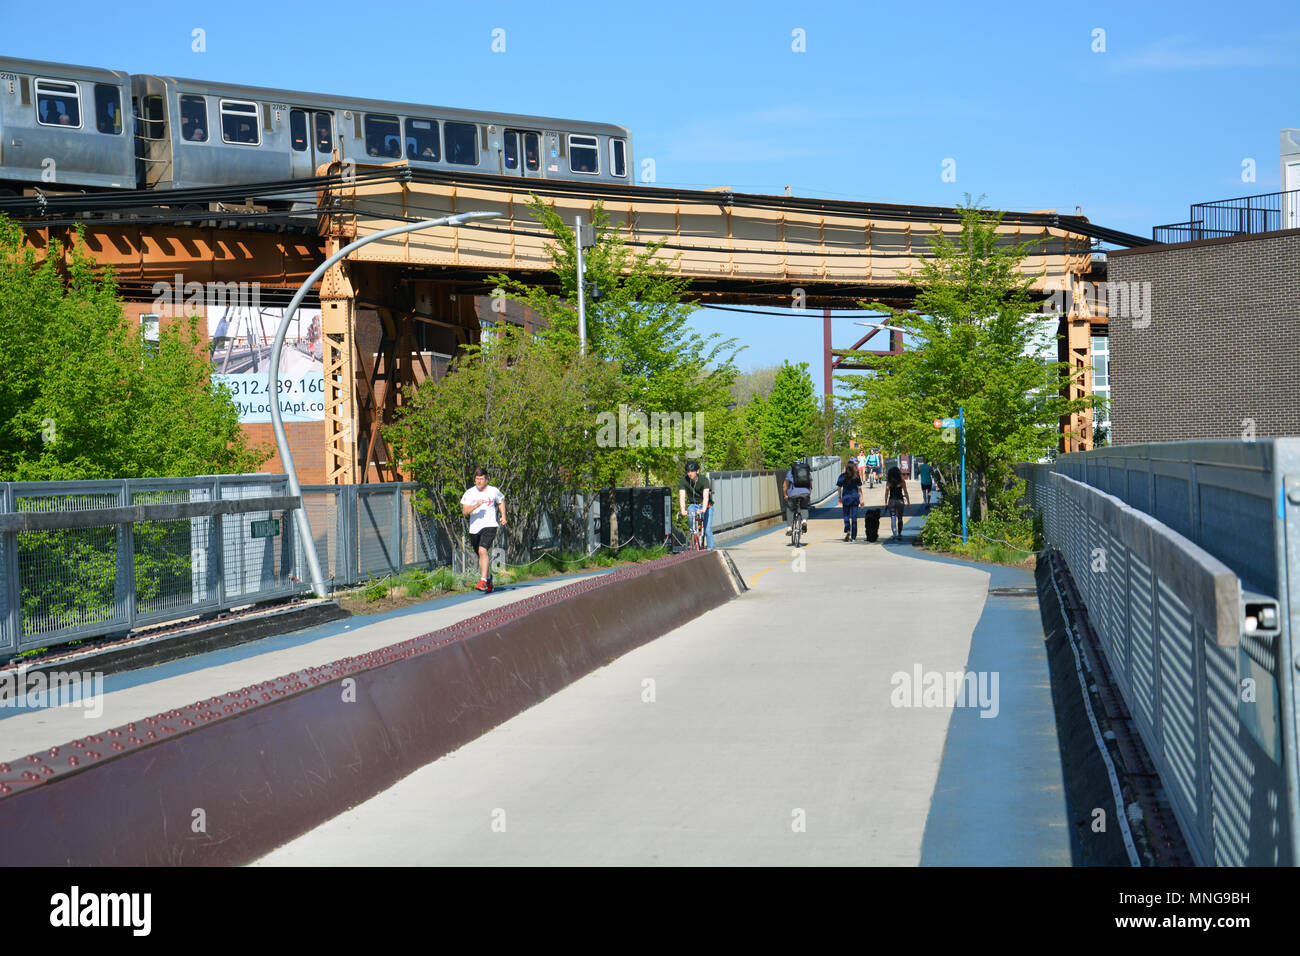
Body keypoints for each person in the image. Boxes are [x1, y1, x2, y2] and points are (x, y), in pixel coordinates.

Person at [461, 467, 506, 591]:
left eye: (481, 479)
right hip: (474, 529)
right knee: (481, 555)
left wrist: (503, 516)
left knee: (482, 551)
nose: (479, 481)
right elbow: (465, 511)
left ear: (486, 479)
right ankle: (488, 577)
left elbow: (501, 501)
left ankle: (482, 581)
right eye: (477, 479)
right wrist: (476, 505)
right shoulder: (470, 493)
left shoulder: (493, 491)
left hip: (490, 525)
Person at [679, 460, 713, 549]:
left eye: (692, 471)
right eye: (688, 471)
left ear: (697, 471)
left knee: (708, 530)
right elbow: (682, 496)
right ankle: (693, 532)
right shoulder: (683, 481)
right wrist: (683, 509)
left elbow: (706, 497)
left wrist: (703, 509)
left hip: (706, 506)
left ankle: (710, 550)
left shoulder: (704, 480)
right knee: (690, 511)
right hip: (693, 505)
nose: (690, 474)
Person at [783, 459, 812, 537]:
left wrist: (785, 495)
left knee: (790, 509)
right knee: (804, 507)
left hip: (793, 494)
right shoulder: (807, 472)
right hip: (805, 493)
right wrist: (808, 494)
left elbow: (785, 486)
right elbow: (810, 486)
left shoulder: (790, 472)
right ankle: (804, 521)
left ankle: (789, 528)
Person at [837, 460, 862, 541]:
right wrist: (861, 499)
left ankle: (847, 528)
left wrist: (839, 497)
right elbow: (859, 488)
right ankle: (853, 537)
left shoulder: (842, 476)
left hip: (846, 497)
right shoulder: (856, 476)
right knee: (854, 517)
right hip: (855, 498)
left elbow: (839, 487)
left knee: (846, 515)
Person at [883, 465, 910, 542]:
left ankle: (894, 534)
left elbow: (886, 493)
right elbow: (906, 492)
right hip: (900, 501)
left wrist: (885, 502)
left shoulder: (889, 482)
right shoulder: (902, 481)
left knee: (893, 517)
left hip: (891, 501)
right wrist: (908, 502)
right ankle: (900, 534)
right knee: (900, 517)